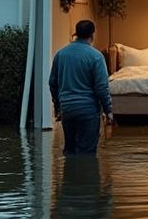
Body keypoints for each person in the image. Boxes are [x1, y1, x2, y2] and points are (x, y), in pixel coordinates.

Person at [49, 19, 115, 156]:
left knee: (70, 151)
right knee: (86, 153)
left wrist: (59, 105)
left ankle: (70, 176)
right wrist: (108, 111)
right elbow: (102, 87)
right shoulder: (96, 56)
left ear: (76, 34)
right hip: (88, 111)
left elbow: (52, 83)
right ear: (92, 35)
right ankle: (85, 176)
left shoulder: (61, 54)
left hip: (67, 110)